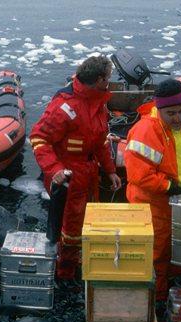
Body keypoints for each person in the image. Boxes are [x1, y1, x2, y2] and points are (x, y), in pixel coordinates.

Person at [30, 55, 122, 280]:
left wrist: (110, 170)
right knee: (70, 226)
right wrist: (55, 170)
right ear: (100, 79)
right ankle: (65, 272)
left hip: (89, 172)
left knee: (89, 219)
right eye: (108, 78)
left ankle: (84, 259)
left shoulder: (97, 102)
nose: (110, 82)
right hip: (69, 176)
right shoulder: (64, 107)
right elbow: (39, 139)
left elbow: (100, 141)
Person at [124, 79, 181, 301]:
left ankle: (173, 284)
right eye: (171, 113)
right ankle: (156, 297)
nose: (178, 118)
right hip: (151, 203)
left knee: (179, 243)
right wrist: (168, 187)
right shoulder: (145, 131)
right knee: (155, 250)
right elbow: (139, 174)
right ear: (159, 110)